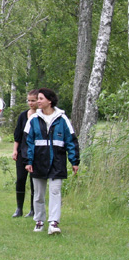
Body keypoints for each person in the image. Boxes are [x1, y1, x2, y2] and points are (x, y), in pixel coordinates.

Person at [24, 88, 79, 235]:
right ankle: (39, 220)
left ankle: (54, 223)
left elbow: (71, 141)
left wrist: (74, 161)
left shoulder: (63, 119)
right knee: (38, 194)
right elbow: (27, 142)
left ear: (49, 100)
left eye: (41, 98)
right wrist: (28, 161)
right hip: (37, 162)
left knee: (55, 191)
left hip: (57, 162)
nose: (38, 101)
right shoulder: (33, 119)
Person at [11, 89, 39, 218]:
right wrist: (15, 150)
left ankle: (33, 209)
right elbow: (18, 135)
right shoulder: (23, 116)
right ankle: (19, 208)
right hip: (22, 152)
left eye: (33, 100)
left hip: (37, 154)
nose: (30, 103)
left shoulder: (42, 116)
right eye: (29, 100)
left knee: (35, 181)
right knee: (20, 179)